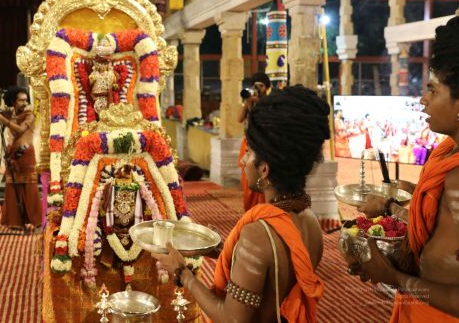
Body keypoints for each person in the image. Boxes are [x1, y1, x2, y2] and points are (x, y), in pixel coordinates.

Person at [154, 85, 329, 322]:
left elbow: (232, 319)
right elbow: (274, 272)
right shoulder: (311, 221)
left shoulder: (258, 236)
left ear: (264, 170)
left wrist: (182, 273)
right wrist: (223, 249)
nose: (243, 160)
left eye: (249, 152)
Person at [353, 16, 459, 321]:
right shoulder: (446, 155)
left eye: (433, 91)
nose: (423, 100)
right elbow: (436, 236)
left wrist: (394, 278)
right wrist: (390, 208)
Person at [0, 86, 42, 230]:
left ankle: (37, 221)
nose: (24, 103)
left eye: (26, 100)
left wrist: (2, 119)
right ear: (13, 101)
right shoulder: (11, 113)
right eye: (20, 100)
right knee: (12, 187)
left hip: (25, 154)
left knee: (30, 188)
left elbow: (20, 130)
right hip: (12, 154)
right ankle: (15, 222)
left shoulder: (29, 115)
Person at [237, 72, 271, 210]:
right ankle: (250, 211)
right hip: (248, 143)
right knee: (247, 180)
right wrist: (247, 103)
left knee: (262, 177)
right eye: (255, 86)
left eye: (260, 86)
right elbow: (239, 119)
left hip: (262, 143)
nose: (258, 89)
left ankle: (262, 210)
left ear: (266, 87)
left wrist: (259, 104)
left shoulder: (269, 103)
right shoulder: (250, 101)